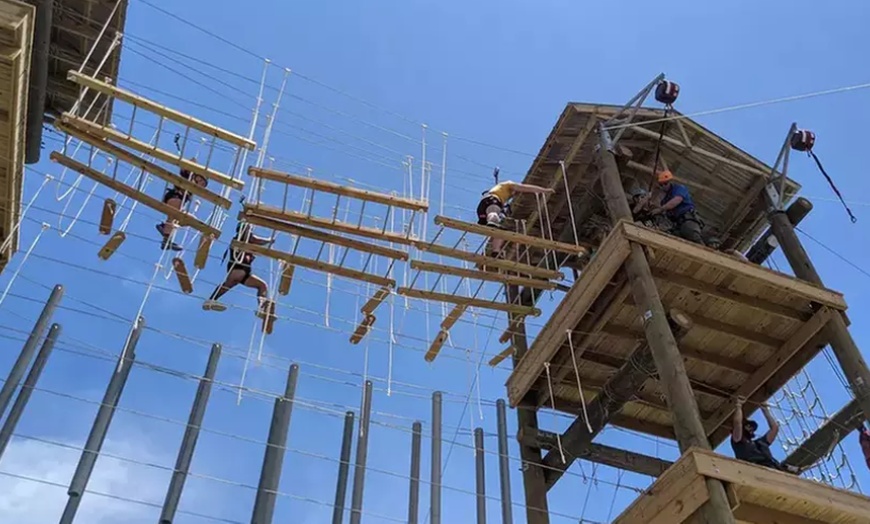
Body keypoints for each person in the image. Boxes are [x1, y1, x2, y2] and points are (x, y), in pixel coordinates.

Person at [203, 222, 274, 316]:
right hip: (238, 269)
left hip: (242, 274)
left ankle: (211, 300)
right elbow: (257, 240)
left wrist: (268, 241)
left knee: (262, 285)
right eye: (248, 229)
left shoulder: (247, 241)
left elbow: (255, 240)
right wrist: (269, 240)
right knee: (261, 285)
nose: (250, 231)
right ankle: (261, 308)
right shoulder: (240, 238)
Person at [476, 180, 554, 256]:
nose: (515, 194)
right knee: (494, 213)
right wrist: (544, 190)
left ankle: (496, 251)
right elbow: (526, 188)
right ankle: (491, 222)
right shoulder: (508, 184)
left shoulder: (501, 193)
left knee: (500, 231)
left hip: (482, 209)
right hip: (491, 200)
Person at [731, 397, 801, 474]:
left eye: (752, 428)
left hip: (771, 470)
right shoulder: (739, 441)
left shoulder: (760, 443)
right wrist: (738, 406)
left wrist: (765, 410)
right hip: (752, 470)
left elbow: (774, 428)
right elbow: (738, 424)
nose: (750, 429)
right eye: (748, 426)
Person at [156, 160, 208, 252]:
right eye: (201, 182)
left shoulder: (192, 190)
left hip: (178, 203)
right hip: (174, 197)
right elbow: (184, 168)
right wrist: (192, 164)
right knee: (174, 214)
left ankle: (166, 234)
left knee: (189, 219)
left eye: (203, 185)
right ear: (198, 177)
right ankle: (166, 236)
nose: (201, 185)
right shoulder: (189, 177)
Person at [648, 170, 705, 245]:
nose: (664, 186)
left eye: (665, 183)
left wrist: (660, 209)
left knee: (693, 236)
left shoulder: (679, 188)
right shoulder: (664, 201)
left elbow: (676, 201)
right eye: (661, 185)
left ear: (670, 182)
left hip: (687, 219)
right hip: (678, 224)